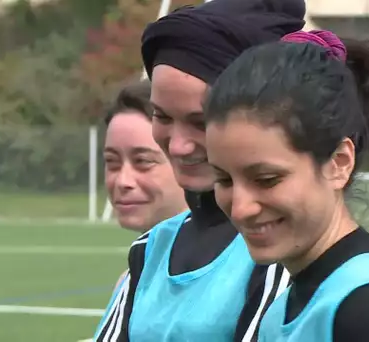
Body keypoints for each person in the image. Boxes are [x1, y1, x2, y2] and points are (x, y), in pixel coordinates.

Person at [204, 30, 369, 341]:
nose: (241, 209)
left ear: (338, 162)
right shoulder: (285, 307)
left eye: (267, 179)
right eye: (224, 179)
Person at [97, 1, 306, 341]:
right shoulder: (150, 248)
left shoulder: (281, 251)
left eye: (200, 121)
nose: (177, 146)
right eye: (162, 116)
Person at [93, 80, 187, 341]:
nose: (123, 181)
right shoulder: (131, 278)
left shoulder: (243, 272)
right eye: (111, 162)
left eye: (143, 162)